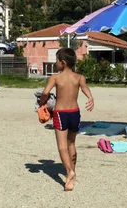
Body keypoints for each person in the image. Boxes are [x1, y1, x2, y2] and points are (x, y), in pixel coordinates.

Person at [38, 48, 94, 191]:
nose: (55, 63)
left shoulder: (55, 78)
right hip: (75, 112)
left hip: (61, 113)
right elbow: (85, 88)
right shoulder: (79, 77)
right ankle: (72, 172)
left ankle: (70, 172)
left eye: (56, 60)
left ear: (62, 63)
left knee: (62, 146)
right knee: (71, 144)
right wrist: (90, 98)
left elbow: (45, 92)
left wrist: (42, 102)